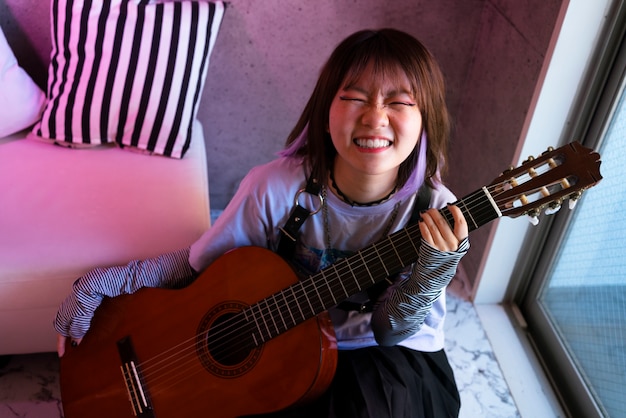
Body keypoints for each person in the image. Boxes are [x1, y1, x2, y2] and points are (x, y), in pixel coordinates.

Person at [55, 28, 469, 418]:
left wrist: (430, 276)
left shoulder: (434, 210)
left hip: (378, 354)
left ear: (426, 119)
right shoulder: (276, 186)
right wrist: (106, 284)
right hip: (280, 339)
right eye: (355, 97)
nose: (375, 118)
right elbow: (199, 267)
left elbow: (389, 331)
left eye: (399, 102)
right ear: (325, 111)